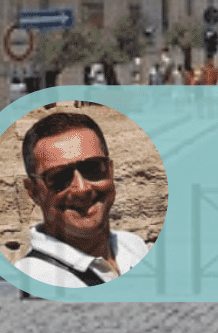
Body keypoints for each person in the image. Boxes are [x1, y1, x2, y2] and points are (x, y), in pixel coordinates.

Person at [16, 111, 148, 287]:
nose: (81, 188)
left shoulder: (133, 246)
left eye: (93, 168)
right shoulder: (33, 277)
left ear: (110, 170)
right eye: (60, 177)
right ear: (33, 192)